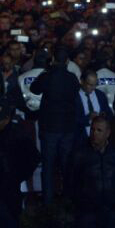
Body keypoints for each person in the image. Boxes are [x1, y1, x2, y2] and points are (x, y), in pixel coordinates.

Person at [31, 49, 82, 201]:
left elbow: (34, 89)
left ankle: (48, 202)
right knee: (66, 166)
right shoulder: (72, 78)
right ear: (67, 62)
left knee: (48, 166)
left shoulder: (47, 76)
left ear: (53, 59)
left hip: (50, 127)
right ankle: (67, 200)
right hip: (67, 127)